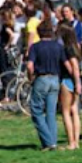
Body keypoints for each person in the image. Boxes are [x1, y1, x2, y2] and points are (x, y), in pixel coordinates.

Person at [27, 18, 64, 151]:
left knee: (36, 110)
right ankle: (52, 141)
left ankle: (48, 141)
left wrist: (30, 77)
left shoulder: (35, 47)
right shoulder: (58, 46)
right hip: (55, 78)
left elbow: (30, 65)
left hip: (41, 78)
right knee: (51, 112)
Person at [58, 26, 82, 150]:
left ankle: (71, 142)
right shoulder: (76, 48)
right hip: (74, 81)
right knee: (75, 111)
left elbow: (74, 66)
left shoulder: (67, 49)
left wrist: (76, 82)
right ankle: (76, 141)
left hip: (68, 80)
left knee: (66, 112)